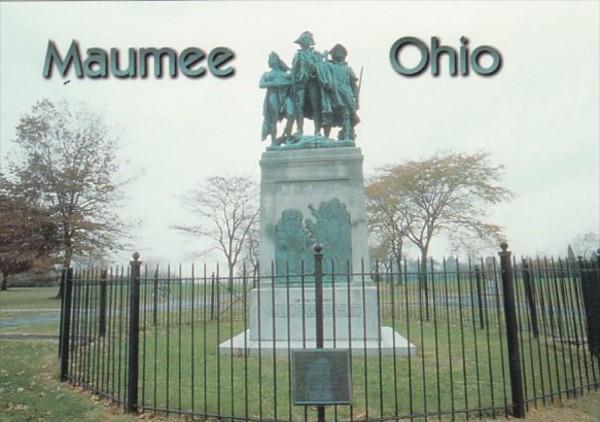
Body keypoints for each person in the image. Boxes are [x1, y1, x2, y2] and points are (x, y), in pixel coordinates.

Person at [291, 31, 332, 136]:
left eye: (306, 40)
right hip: (300, 83)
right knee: (298, 106)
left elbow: (322, 67)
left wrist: (315, 66)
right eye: (303, 40)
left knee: (316, 106)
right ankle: (299, 130)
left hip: (313, 82)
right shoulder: (297, 56)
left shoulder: (316, 54)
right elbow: (293, 71)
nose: (304, 42)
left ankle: (317, 130)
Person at [323, 44, 360, 141]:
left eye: (341, 52)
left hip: (346, 94)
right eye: (337, 52)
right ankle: (326, 137)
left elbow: (354, 86)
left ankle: (347, 136)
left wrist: (357, 100)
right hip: (332, 93)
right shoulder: (329, 66)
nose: (339, 54)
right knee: (328, 115)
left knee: (346, 114)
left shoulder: (348, 69)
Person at [259, 52, 295, 145]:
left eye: (274, 58)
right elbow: (261, 84)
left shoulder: (285, 74)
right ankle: (273, 141)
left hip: (285, 95)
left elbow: (294, 79)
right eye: (271, 59)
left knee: (291, 114)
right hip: (273, 95)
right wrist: (274, 84)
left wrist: (289, 74)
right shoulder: (267, 74)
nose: (272, 60)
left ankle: (287, 135)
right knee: (273, 118)